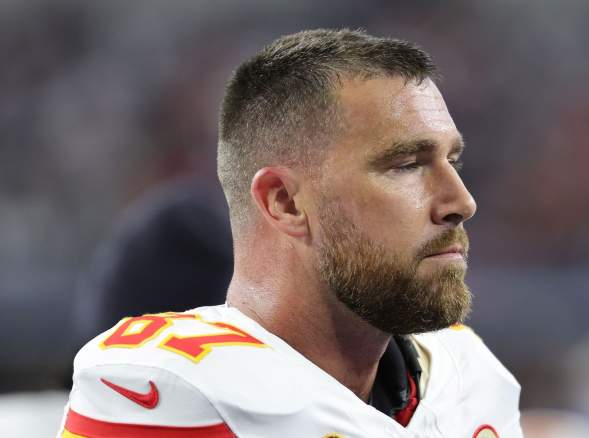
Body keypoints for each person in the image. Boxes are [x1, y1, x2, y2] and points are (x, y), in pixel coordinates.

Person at [59, 29, 523, 437]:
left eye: (452, 161)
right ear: (284, 202)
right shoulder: (174, 393)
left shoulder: (467, 377)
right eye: (406, 165)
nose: (461, 202)